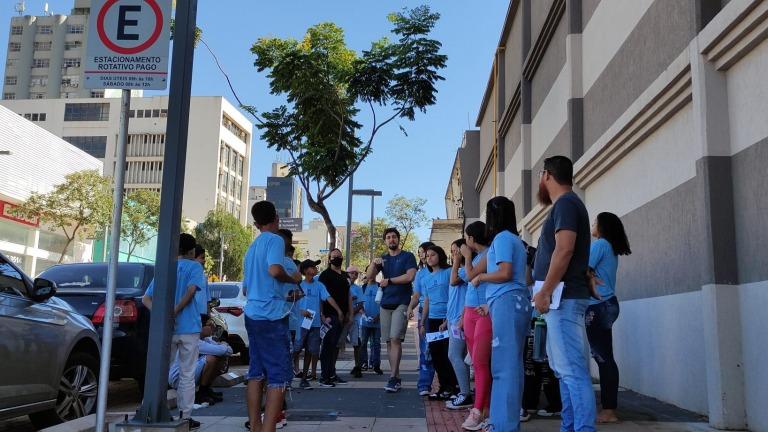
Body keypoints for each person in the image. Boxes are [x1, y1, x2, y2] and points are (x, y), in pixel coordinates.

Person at [532, 156, 599, 432]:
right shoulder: (567, 205)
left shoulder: (567, 204)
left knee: (572, 371)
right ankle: (570, 427)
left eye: (540, 176)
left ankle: (582, 428)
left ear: (546, 175)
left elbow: (565, 249)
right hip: (562, 300)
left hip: (563, 299)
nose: (539, 181)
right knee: (565, 372)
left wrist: (545, 291)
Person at [469, 196, 530, 432]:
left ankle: (503, 425)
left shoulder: (503, 239)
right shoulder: (513, 240)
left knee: (504, 367)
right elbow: (519, 277)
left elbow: (505, 273)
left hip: (507, 302)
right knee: (509, 365)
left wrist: (481, 277)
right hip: (509, 303)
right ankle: (504, 421)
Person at [242, 201, 302, 432]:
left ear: (256, 224)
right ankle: (269, 428)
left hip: (253, 314)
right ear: (276, 218)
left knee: (256, 373)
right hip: (272, 315)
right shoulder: (276, 240)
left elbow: (247, 289)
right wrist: (292, 279)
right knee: (278, 376)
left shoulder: (252, 247)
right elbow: (275, 270)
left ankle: (256, 426)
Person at [142, 233, 205, 430]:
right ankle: (185, 417)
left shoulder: (165, 267)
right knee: (187, 374)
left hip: (166, 330)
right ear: (192, 251)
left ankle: (149, 410)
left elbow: (146, 299)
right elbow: (192, 290)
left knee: (160, 371)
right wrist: (175, 311)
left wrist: (163, 316)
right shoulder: (195, 267)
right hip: (189, 329)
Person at [586, 212, 631, 423]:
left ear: (602, 226)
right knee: (606, 358)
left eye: (595, 221)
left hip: (598, 306)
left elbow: (582, 269)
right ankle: (609, 407)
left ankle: (609, 410)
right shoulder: (610, 248)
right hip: (608, 304)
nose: (592, 224)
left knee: (603, 359)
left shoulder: (600, 245)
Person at [366, 228, 418, 393]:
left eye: (394, 237)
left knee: (395, 338)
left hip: (401, 302)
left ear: (398, 239)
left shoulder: (407, 256)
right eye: (388, 238)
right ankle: (395, 376)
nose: (391, 240)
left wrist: (389, 280)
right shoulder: (383, 259)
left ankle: (393, 377)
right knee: (388, 341)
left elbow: (410, 277)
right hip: (385, 304)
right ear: (385, 241)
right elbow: (370, 277)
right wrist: (374, 264)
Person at [459, 222, 492, 431]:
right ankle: (484, 406)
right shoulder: (477, 257)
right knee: (476, 364)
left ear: (472, 238)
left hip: (484, 313)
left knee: (480, 362)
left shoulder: (489, 254)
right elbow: (464, 281)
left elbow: (470, 275)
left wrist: (467, 257)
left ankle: (479, 410)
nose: (465, 241)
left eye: (466, 237)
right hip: (470, 312)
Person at [296, 259, 343, 389]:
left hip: (315, 324)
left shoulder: (319, 285)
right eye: (313, 266)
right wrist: (301, 311)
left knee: (310, 351)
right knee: (296, 349)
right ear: (306, 271)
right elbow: (291, 303)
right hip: (300, 324)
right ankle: (287, 376)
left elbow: (328, 298)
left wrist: (338, 310)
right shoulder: (298, 285)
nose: (316, 268)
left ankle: (304, 379)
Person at [420, 245, 459, 400]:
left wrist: (448, 318)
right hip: (433, 319)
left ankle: (454, 387)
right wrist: (423, 322)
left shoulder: (449, 272)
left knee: (448, 354)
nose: (429, 258)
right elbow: (427, 301)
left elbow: (454, 295)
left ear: (440, 255)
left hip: (447, 319)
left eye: (433, 255)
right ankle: (443, 387)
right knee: (436, 356)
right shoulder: (426, 278)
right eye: (427, 255)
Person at [168, 319, 233, 405]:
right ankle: (202, 392)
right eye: (209, 325)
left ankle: (206, 389)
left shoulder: (206, 340)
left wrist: (224, 347)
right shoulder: (194, 341)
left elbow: (228, 351)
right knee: (212, 358)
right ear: (200, 327)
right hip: (178, 378)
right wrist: (224, 344)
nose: (212, 328)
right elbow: (223, 350)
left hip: (188, 374)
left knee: (220, 358)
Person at [318, 248, 352, 387]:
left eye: (339, 256)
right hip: (330, 315)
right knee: (328, 346)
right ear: (329, 258)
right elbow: (321, 297)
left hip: (343, 316)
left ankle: (332, 373)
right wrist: (322, 314)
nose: (337, 258)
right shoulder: (325, 275)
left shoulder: (345, 275)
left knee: (336, 346)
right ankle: (324, 376)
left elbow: (349, 295)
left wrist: (350, 313)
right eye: (334, 256)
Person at [407, 242, 436, 396]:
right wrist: (410, 307)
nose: (422, 255)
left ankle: (448, 385)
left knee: (441, 351)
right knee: (426, 350)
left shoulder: (445, 271)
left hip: (441, 313)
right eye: (420, 253)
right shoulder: (420, 273)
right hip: (424, 314)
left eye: (423, 251)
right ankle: (424, 384)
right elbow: (417, 295)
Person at [446, 239, 472, 410]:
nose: (453, 254)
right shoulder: (459, 270)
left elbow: (454, 281)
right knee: (460, 356)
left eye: (456, 251)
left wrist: (456, 261)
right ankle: (464, 390)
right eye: (452, 251)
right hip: (452, 319)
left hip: (460, 320)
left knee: (454, 355)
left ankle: (465, 393)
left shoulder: (464, 271)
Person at [360, 268, 383, 375]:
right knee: (363, 342)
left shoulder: (380, 287)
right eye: (370, 272)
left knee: (376, 343)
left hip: (377, 321)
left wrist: (378, 316)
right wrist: (363, 314)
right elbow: (359, 304)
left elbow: (383, 304)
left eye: (374, 272)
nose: (372, 274)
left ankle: (375, 364)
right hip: (365, 322)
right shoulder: (363, 287)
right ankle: (363, 363)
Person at [347, 266, 365, 378]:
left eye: (356, 274)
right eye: (351, 273)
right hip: (343, 319)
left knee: (356, 343)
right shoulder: (342, 286)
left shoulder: (358, 288)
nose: (354, 275)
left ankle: (358, 366)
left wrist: (351, 313)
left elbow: (360, 304)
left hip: (354, 319)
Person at [193, 245, 211, 320]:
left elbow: (207, 297)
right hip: (193, 314)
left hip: (203, 314)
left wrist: (208, 313)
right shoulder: (189, 274)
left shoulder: (204, 276)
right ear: (194, 258)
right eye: (202, 258)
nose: (204, 261)